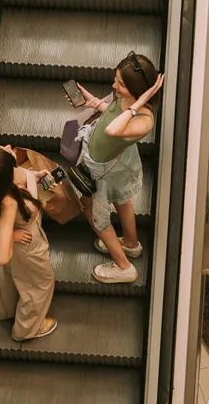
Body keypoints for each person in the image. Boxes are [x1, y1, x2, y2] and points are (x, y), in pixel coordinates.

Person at [68, 52, 164, 284]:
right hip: (119, 166)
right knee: (122, 201)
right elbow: (112, 114)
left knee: (95, 215)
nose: (114, 85)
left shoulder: (144, 120)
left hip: (105, 172)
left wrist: (140, 102)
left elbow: (113, 130)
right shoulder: (124, 100)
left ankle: (123, 267)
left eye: (121, 84)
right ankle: (131, 244)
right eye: (116, 79)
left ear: (138, 90)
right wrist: (95, 103)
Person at [0, 145, 57, 340]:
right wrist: (10, 236)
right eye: (5, 149)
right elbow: (3, 257)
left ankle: (7, 310)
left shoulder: (4, 178)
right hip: (29, 244)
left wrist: (35, 177)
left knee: (14, 276)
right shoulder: (9, 203)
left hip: (24, 243)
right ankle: (26, 329)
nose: (8, 146)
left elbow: (20, 177)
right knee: (40, 285)